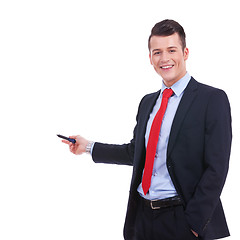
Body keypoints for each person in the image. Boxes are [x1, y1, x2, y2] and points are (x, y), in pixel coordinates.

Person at [61, 19, 232, 240]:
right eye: (157, 52)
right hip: (141, 217)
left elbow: (217, 168)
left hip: (181, 219)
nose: (165, 58)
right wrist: (88, 147)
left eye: (171, 50)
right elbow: (136, 152)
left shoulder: (212, 99)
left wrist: (194, 224)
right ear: (150, 58)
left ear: (185, 52)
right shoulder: (147, 102)